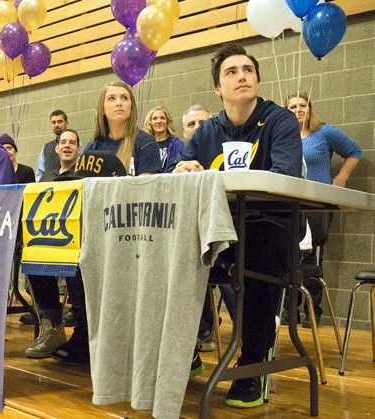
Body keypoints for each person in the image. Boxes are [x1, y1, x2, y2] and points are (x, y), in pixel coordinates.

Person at [168, 42, 303, 409]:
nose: (241, 76)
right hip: (219, 225)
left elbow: (285, 176)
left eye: (248, 70)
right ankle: (185, 350)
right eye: (231, 71)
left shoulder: (281, 121)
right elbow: (177, 170)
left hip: (268, 222)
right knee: (166, 246)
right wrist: (181, 168)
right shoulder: (207, 130)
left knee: (259, 249)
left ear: (257, 80)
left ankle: (253, 363)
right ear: (217, 88)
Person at [283, 92, 361, 328]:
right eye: (292, 106)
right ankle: (289, 309)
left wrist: (342, 177)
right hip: (290, 203)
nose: (298, 110)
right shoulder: (284, 137)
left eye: (302, 105)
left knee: (313, 255)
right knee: (288, 255)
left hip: (317, 204)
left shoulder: (324, 132)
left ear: (310, 108)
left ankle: (312, 310)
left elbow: (354, 151)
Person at [25, 129, 85, 361]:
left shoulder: (85, 174)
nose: (68, 146)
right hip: (51, 240)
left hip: (78, 242)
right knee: (32, 253)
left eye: (73, 143)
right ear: (57, 148)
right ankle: (52, 327)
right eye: (63, 142)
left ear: (79, 149)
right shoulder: (46, 179)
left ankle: (82, 327)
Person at [84, 81, 161, 176]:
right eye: (112, 98)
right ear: (102, 109)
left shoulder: (146, 143)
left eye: (124, 98)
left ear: (131, 107)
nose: (119, 103)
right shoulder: (92, 148)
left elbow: (145, 188)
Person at [143, 106, 185, 172]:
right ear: (150, 123)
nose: (159, 121)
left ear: (167, 122)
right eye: (155, 118)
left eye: (162, 118)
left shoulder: (177, 144)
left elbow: (179, 166)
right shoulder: (145, 146)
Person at [36, 110, 68, 181]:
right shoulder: (46, 147)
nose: (56, 125)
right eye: (54, 122)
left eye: (60, 121)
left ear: (66, 123)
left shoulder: (76, 145)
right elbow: (40, 173)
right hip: (47, 188)